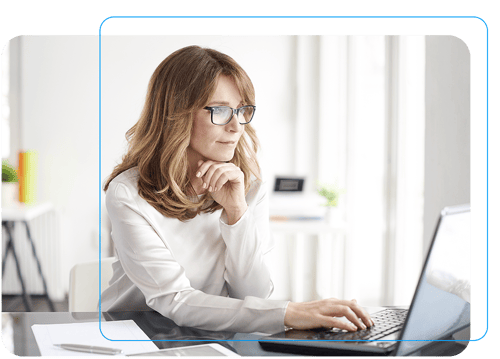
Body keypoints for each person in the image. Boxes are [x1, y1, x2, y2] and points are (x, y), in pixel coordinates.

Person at [101, 45, 373, 334]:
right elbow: (175, 300)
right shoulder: (128, 194)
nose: (236, 126)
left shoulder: (249, 186)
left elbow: (252, 295)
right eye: (220, 110)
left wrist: (237, 213)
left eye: (242, 110)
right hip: (132, 334)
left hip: (206, 334)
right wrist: (290, 311)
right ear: (176, 113)